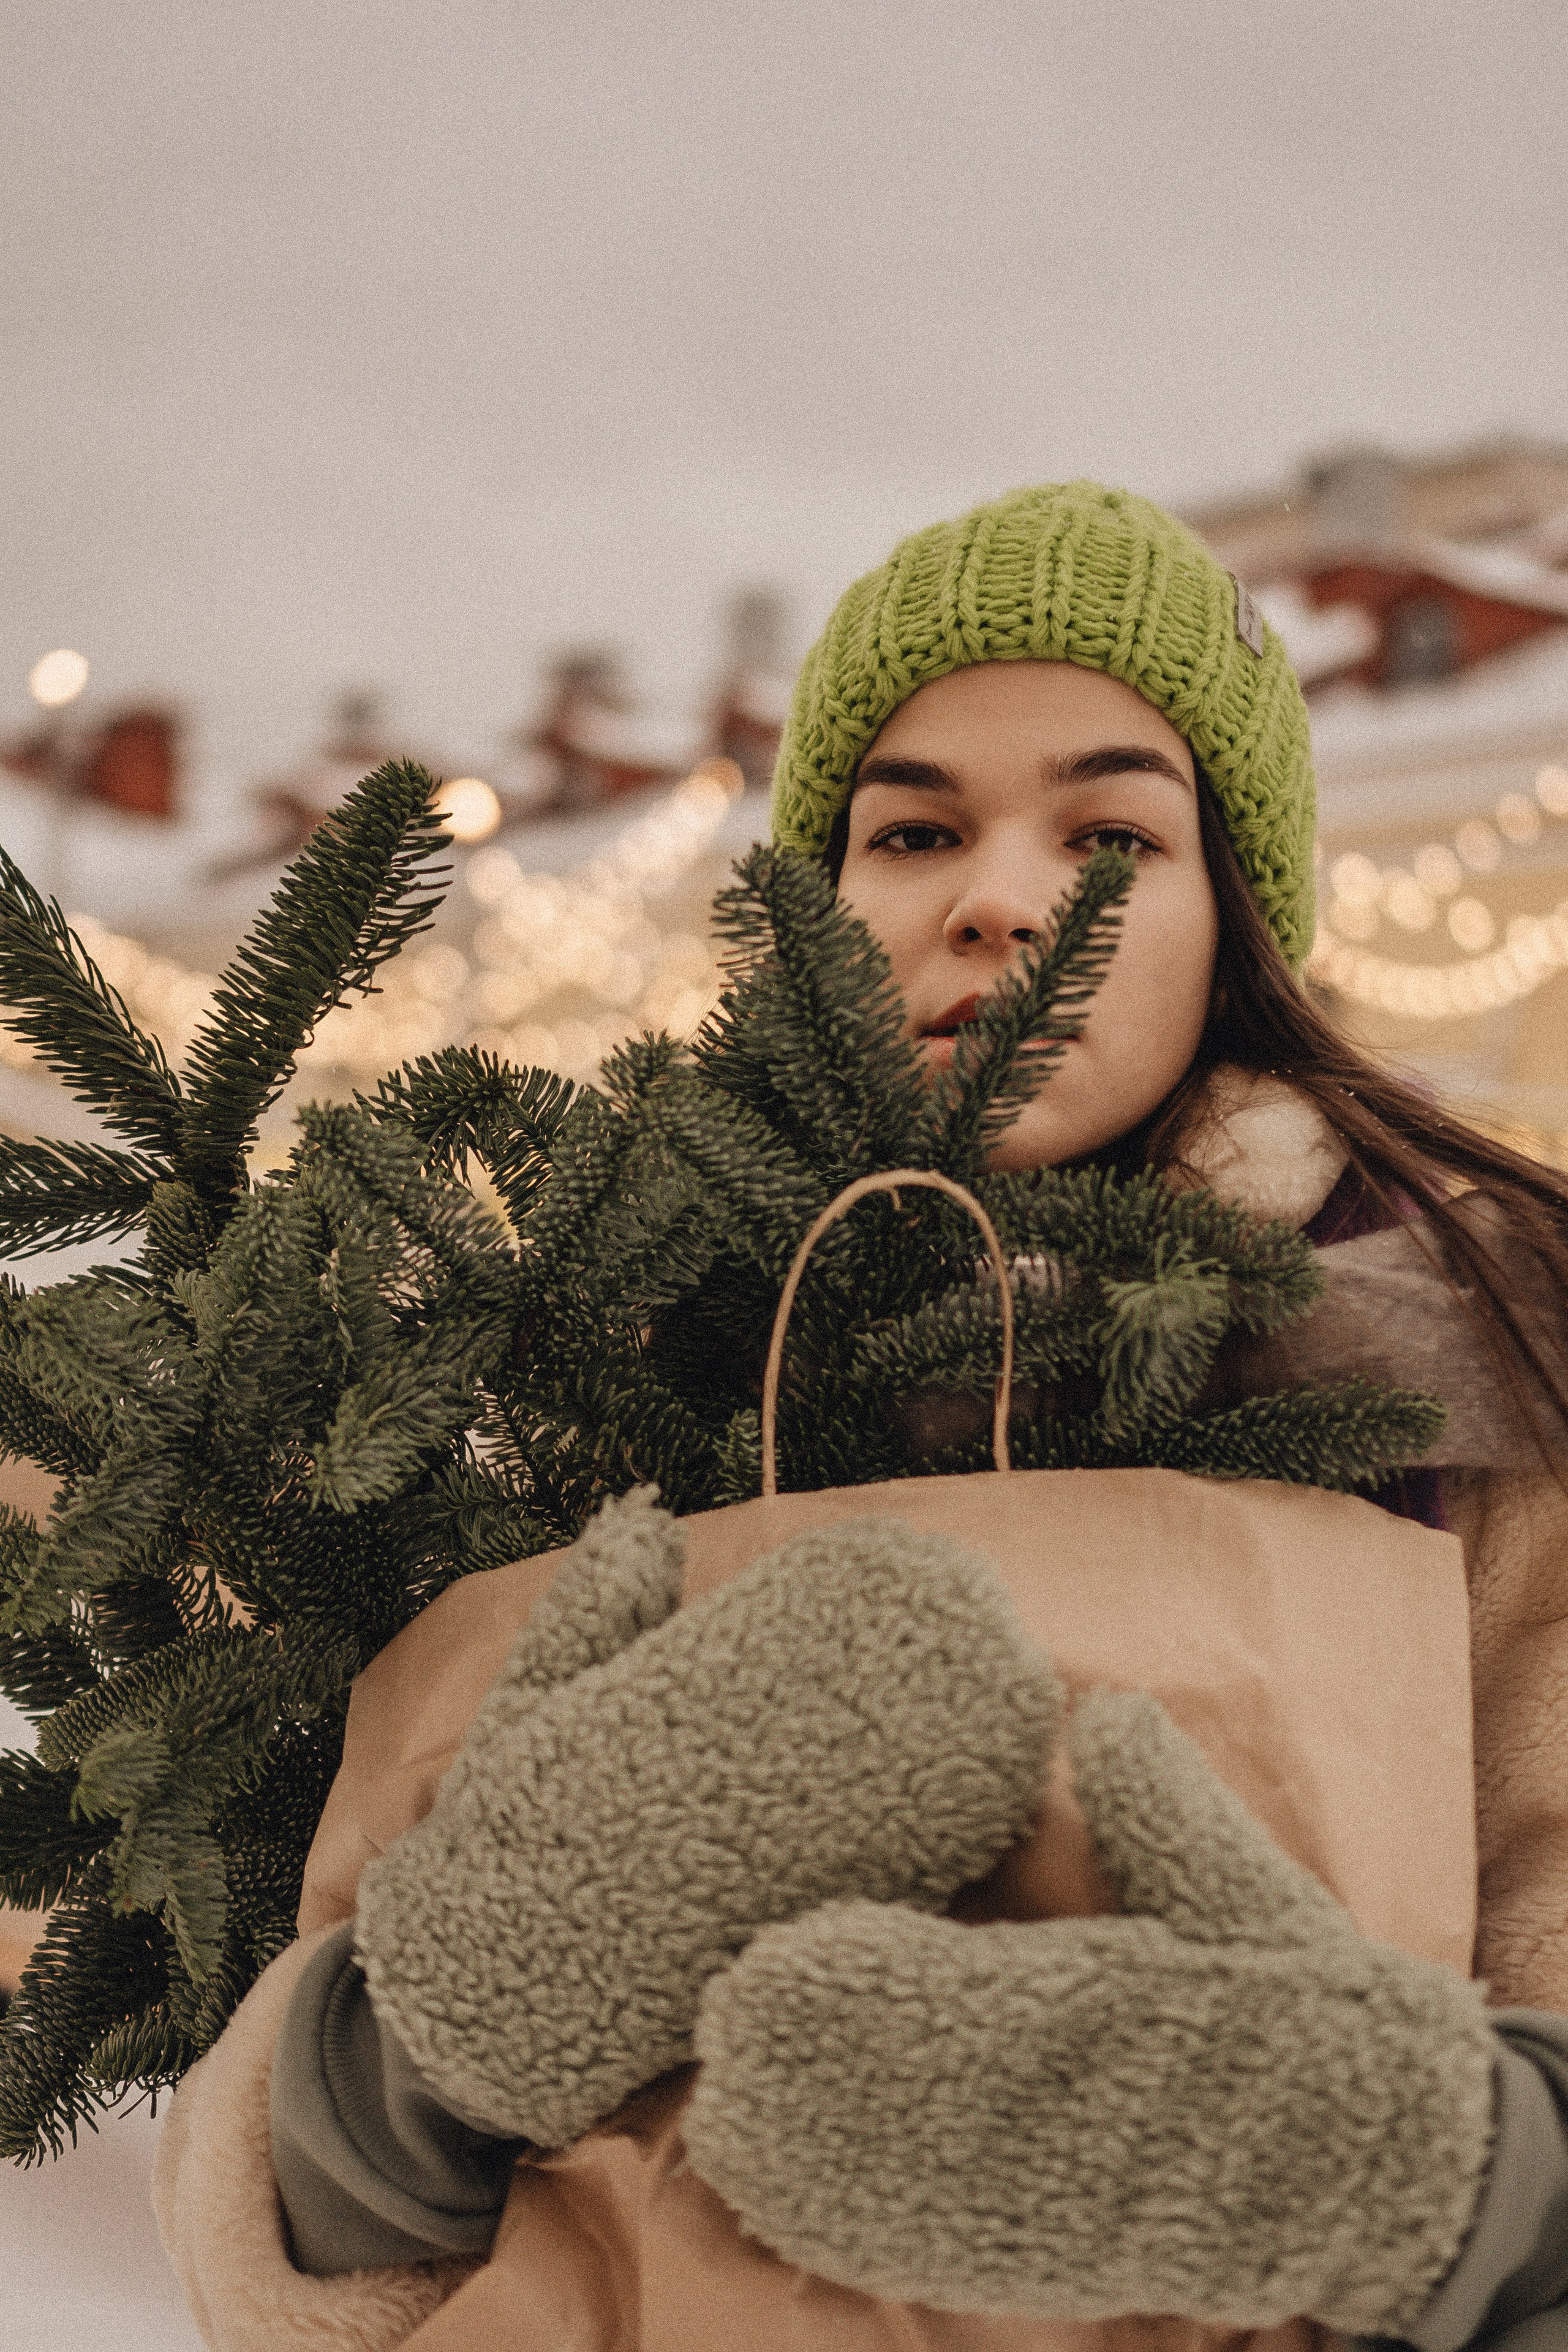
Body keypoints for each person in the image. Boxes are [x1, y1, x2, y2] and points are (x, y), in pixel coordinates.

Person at [155, 484, 1568, 2352]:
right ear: (820, 913)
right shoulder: (589, 1373)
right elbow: (271, 2241)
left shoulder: (1478, 1350)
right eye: (912, 830)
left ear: (1238, 917)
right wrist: (424, 2038)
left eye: (1113, 832)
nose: (1000, 901)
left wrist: (1454, 2172)